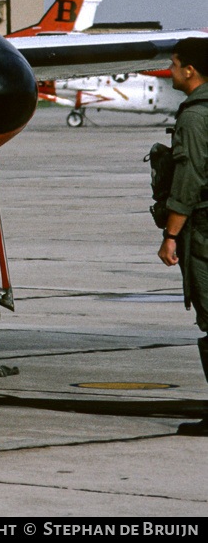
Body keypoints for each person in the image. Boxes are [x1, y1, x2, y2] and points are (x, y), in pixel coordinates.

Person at [157, 37, 208, 436]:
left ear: (190, 70)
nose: (169, 70)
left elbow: (188, 180)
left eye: (174, 64)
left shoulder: (194, 118)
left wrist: (170, 235)